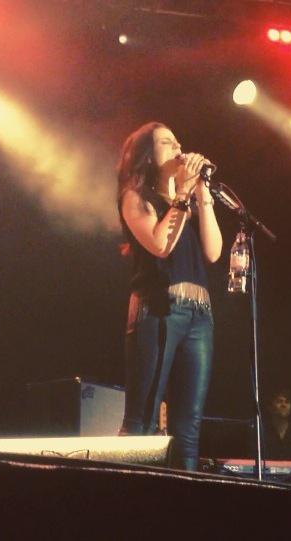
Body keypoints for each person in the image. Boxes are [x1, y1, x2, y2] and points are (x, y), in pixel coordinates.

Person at [117, 121, 223, 471]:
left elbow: (214, 252)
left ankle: (184, 495)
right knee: (142, 420)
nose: (179, 148)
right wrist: (181, 195)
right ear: (148, 156)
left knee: (188, 429)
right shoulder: (136, 198)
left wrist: (201, 194)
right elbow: (160, 245)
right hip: (159, 309)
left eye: (179, 141)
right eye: (167, 142)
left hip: (199, 316)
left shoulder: (186, 206)